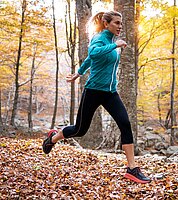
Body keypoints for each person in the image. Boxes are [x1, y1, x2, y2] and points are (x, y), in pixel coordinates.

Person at [42, 11, 151, 184]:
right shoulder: (100, 38)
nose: (120, 27)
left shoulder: (111, 41)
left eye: (121, 24)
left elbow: (90, 60)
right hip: (93, 91)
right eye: (116, 23)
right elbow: (93, 53)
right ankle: (53, 137)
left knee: (125, 123)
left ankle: (132, 168)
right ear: (106, 24)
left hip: (110, 93)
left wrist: (78, 73)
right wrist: (114, 47)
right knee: (80, 129)